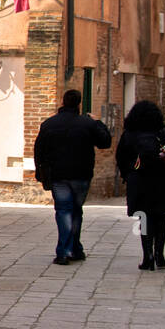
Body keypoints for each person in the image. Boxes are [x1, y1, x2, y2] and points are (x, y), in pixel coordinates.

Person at [34, 89, 112, 265]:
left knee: (63, 210)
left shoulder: (49, 124)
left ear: (62, 102)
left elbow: (39, 150)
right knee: (76, 210)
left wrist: (40, 171)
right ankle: (72, 249)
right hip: (81, 175)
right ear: (78, 104)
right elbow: (105, 142)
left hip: (58, 175)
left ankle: (65, 251)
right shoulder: (87, 124)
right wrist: (98, 121)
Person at [115, 100, 165, 271]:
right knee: (161, 217)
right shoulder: (163, 133)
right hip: (162, 180)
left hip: (139, 180)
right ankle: (159, 254)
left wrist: (127, 174)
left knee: (144, 218)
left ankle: (147, 257)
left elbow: (121, 157)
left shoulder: (129, 134)